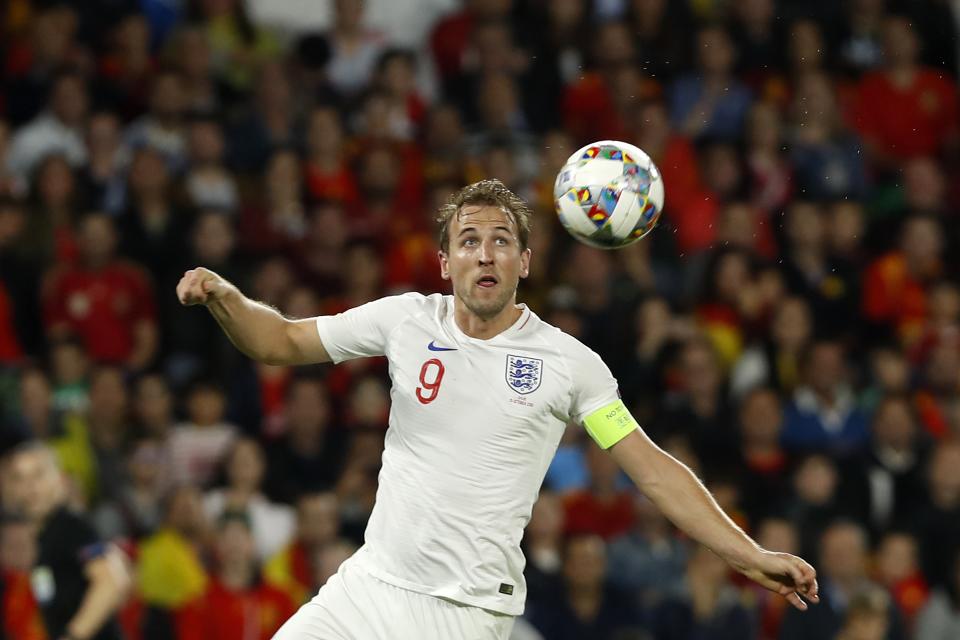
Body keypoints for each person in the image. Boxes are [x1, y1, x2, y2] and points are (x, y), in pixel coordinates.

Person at [177, 179, 819, 639]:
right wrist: (227, 298)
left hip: (463, 614)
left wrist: (747, 554)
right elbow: (282, 339)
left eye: (501, 241)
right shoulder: (405, 320)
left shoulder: (570, 365)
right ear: (445, 261)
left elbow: (650, 470)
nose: (485, 253)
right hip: (366, 589)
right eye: (469, 240)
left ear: (525, 262)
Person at [2, 441, 131, 640]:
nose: (31, 487)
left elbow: (111, 581)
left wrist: (73, 636)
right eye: (20, 478)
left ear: (59, 479)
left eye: (39, 474)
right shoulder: (45, 536)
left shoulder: (72, 527)